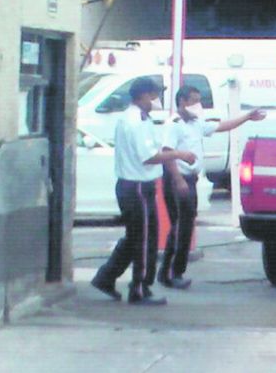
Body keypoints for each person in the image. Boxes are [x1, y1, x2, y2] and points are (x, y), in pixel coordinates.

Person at [91, 77, 198, 306]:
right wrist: (179, 155)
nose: (155, 100)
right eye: (153, 95)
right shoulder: (136, 121)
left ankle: (106, 277)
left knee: (135, 238)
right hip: (137, 186)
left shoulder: (138, 118)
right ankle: (139, 289)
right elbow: (149, 156)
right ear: (142, 96)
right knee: (145, 240)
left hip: (136, 185)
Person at [158, 85, 266, 289]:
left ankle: (168, 272)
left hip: (190, 178)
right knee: (181, 226)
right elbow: (167, 152)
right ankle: (173, 272)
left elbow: (221, 126)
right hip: (178, 178)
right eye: (193, 100)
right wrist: (178, 180)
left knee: (185, 226)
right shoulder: (174, 124)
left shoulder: (195, 122)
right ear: (182, 101)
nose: (198, 105)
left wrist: (246, 117)